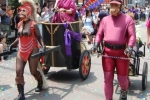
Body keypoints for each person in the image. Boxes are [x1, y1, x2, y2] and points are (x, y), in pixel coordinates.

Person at [91, 0, 136, 100]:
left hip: (122, 54)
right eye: (112, 4)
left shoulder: (128, 20)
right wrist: (95, 44)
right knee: (107, 79)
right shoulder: (105, 20)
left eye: (116, 4)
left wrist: (130, 47)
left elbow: (132, 35)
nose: (113, 6)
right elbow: (99, 34)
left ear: (120, 6)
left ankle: (124, 90)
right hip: (107, 53)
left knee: (122, 79)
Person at [9, 0, 46, 100]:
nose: (20, 12)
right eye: (19, 10)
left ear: (28, 13)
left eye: (23, 10)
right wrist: (12, 45)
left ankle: (40, 82)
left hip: (33, 49)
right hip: (21, 50)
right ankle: (21, 94)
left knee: (33, 71)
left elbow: (39, 37)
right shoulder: (19, 24)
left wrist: (43, 47)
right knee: (18, 71)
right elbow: (19, 37)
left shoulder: (34, 24)